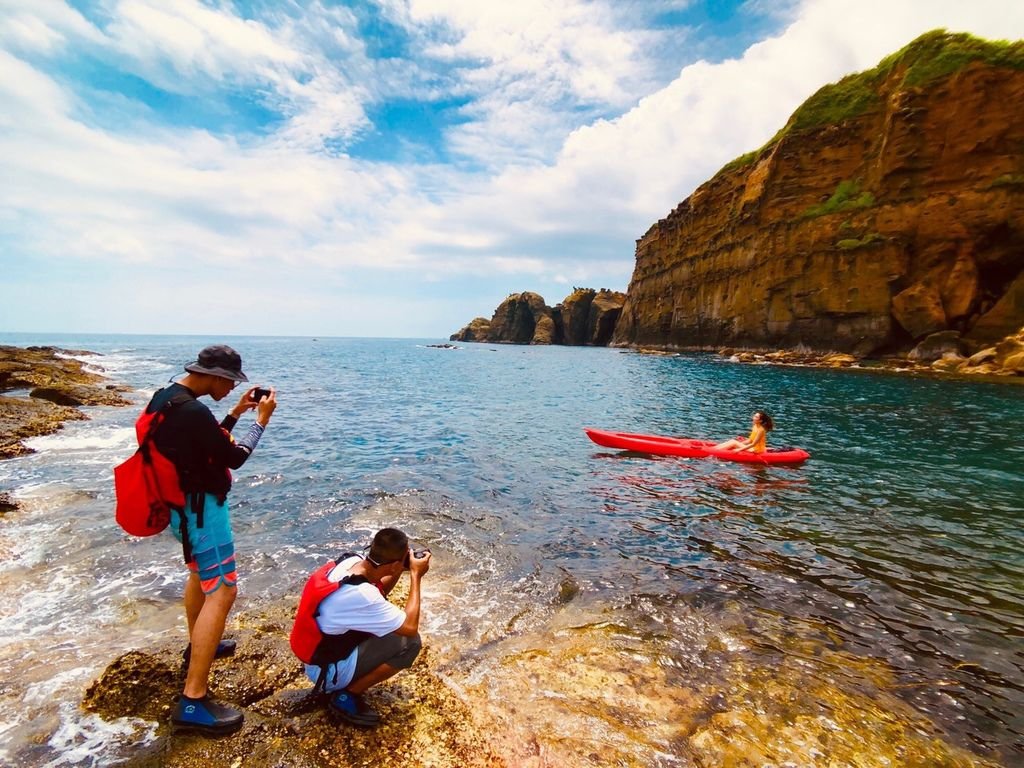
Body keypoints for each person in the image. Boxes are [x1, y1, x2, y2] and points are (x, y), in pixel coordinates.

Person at [150, 344, 277, 735]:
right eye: (229, 384)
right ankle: (193, 700)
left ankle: (198, 645)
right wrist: (261, 421)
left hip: (181, 508)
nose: (230, 389)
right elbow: (234, 457)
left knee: (198, 576)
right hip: (203, 511)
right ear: (216, 377)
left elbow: (206, 443)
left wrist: (237, 412)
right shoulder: (193, 411)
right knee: (222, 591)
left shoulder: (167, 398)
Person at [290, 527, 430, 727]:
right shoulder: (363, 596)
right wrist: (416, 576)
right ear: (395, 562)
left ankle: (346, 685)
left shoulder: (351, 562)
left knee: (388, 625)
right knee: (411, 643)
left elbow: (378, 592)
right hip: (328, 674)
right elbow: (409, 628)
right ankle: (346, 695)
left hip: (317, 659)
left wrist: (397, 568)